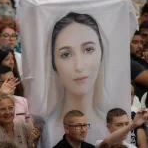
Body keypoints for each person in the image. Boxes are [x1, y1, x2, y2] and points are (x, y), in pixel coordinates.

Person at [39, 12, 107, 147]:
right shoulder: (47, 130)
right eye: (66, 54)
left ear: (101, 54)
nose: (79, 66)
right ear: (54, 64)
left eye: (88, 49)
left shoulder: (110, 124)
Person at [0, 77, 40, 148]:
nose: (7, 112)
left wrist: (34, 141)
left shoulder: (25, 128)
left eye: (10, 108)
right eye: (3, 109)